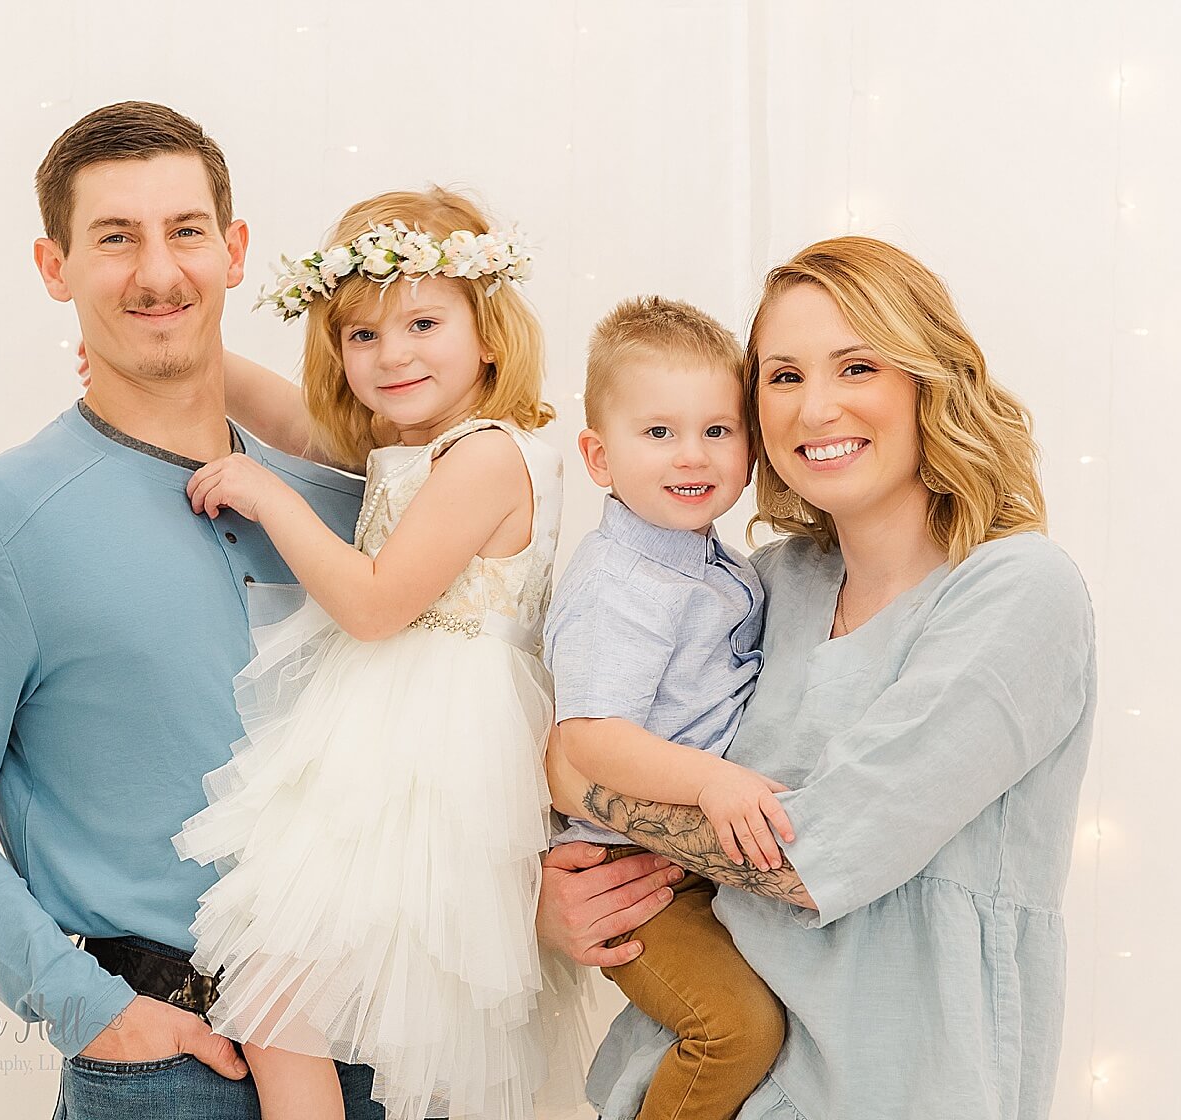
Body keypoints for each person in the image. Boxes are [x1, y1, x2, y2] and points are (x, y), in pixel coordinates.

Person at [0, 101, 393, 1119]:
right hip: (174, 1067)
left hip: (400, 1050)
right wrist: (87, 1007)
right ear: (52, 267)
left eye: (185, 231)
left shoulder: (353, 513)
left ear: (233, 252)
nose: (158, 272)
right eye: (114, 237)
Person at [543, 237, 1096, 1120]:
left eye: (857, 366)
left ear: (930, 383)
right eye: (784, 376)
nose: (816, 407)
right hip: (691, 1082)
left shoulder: (1017, 589)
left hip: (896, 1087)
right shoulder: (767, 584)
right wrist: (566, 896)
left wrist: (591, 789)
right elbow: (591, 741)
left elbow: (810, 858)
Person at [169, 187, 591, 1120]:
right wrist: (199, 359)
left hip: (435, 751)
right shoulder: (424, 445)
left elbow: (373, 605)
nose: (391, 354)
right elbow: (299, 424)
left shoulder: (486, 457)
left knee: (312, 987)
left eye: (423, 323)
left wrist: (265, 494)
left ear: (489, 331)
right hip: (393, 732)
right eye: (361, 336)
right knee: (292, 989)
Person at [542, 295, 789, 1120]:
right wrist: (712, 782)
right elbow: (593, 741)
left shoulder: (719, 564)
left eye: (718, 431)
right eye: (659, 433)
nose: (694, 454)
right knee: (736, 1030)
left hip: (704, 867)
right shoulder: (622, 585)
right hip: (632, 873)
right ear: (598, 456)